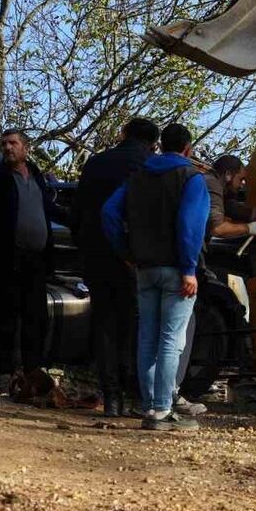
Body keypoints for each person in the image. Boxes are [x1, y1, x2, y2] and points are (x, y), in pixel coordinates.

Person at [101, 123, 209, 431]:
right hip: (177, 269)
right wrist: (189, 269)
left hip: (144, 267)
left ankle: (149, 406)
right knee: (171, 338)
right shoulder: (192, 178)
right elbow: (190, 226)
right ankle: (163, 410)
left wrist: (125, 252)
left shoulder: (137, 177)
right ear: (187, 149)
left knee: (147, 336)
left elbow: (109, 212)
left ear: (160, 146)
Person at [72, 117, 159, 417]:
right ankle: (137, 394)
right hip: (135, 255)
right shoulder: (150, 166)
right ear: (154, 143)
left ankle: (112, 398)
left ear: (123, 134)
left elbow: (78, 210)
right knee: (138, 323)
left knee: (105, 321)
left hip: (95, 251)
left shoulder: (96, 163)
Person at [172, 154, 256, 411]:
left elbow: (227, 207)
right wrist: (251, 228)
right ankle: (172, 392)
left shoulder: (211, 184)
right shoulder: (209, 183)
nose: (242, 185)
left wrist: (253, 213)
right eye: (240, 179)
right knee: (184, 327)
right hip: (190, 258)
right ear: (227, 175)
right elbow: (217, 226)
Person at [0, 129, 62, 396]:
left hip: (36, 259)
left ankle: (32, 374)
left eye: (13, 143)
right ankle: (3, 375)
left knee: (35, 318)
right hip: (6, 258)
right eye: (4, 144)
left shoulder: (37, 176)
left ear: (26, 147)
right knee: (6, 318)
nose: (8, 148)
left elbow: (47, 208)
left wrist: (81, 218)